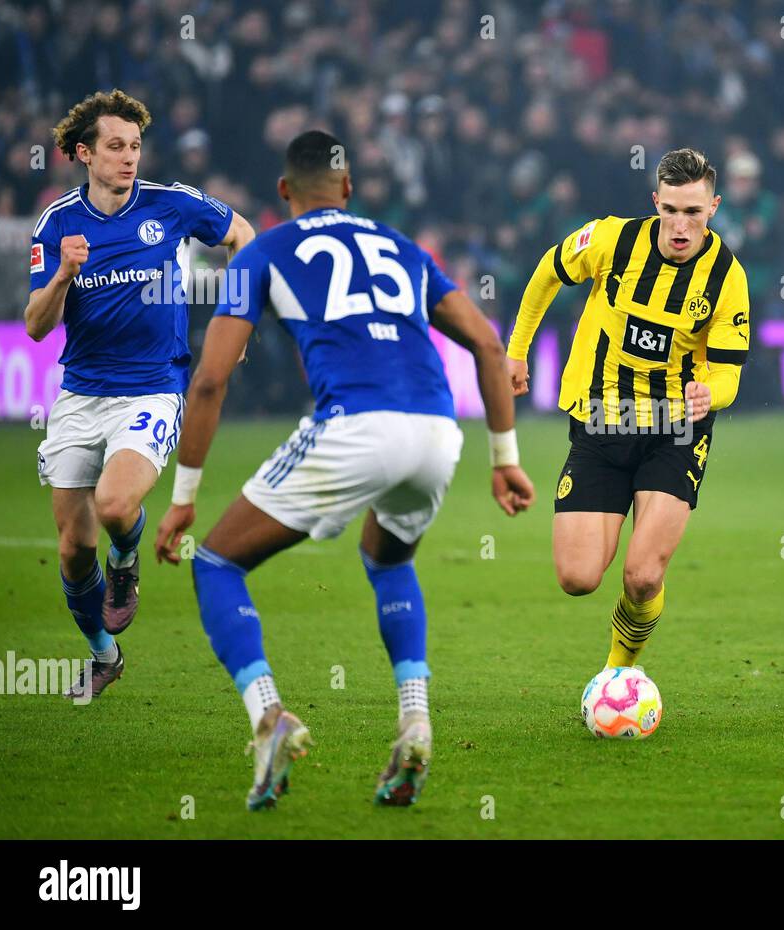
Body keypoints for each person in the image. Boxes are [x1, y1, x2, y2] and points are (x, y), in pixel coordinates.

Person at [153, 130, 535, 810]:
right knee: (388, 560)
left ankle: (269, 719)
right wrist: (504, 459)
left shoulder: (265, 250)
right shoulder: (402, 246)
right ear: (350, 189)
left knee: (215, 562)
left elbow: (210, 381)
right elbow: (485, 341)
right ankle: (415, 717)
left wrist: (183, 497)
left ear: (283, 193)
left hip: (356, 427)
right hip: (436, 432)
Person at [26, 89, 253, 701]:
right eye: (116, 147)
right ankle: (105, 656)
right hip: (80, 395)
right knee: (73, 550)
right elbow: (35, 325)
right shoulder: (58, 226)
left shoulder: (171, 205)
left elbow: (244, 234)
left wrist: (237, 314)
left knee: (116, 507)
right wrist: (64, 276)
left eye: (135, 147)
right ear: (83, 153)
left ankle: (126, 563)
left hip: (152, 390)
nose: (129, 159)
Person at [506, 148, 751, 673]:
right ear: (655, 203)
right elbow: (548, 272)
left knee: (642, 575)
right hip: (600, 422)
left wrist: (714, 394)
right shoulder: (611, 239)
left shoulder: (727, 277)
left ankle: (620, 669)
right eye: (671, 210)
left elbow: (729, 370)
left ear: (714, 208)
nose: (681, 225)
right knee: (577, 578)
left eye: (694, 212)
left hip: (674, 431)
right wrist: (517, 350)